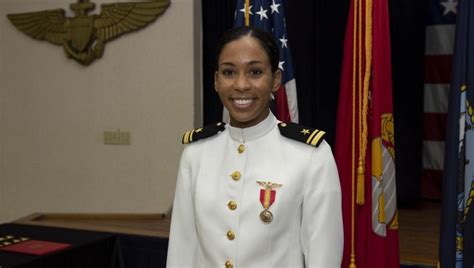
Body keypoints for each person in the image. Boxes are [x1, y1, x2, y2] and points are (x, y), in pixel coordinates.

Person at [166, 26, 343, 268]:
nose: (241, 85)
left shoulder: (310, 155)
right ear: (216, 81)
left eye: (255, 72)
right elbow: (182, 249)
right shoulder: (196, 153)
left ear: (275, 80)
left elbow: (324, 255)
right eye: (229, 72)